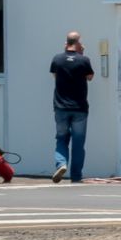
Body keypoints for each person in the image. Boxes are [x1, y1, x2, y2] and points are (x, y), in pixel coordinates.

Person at [49, 31, 96, 182]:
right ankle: (76, 176)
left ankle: (61, 164)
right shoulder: (84, 60)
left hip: (61, 107)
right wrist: (81, 53)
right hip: (79, 108)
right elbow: (90, 77)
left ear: (66, 43)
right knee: (78, 142)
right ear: (77, 43)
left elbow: (55, 76)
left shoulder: (57, 59)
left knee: (61, 138)